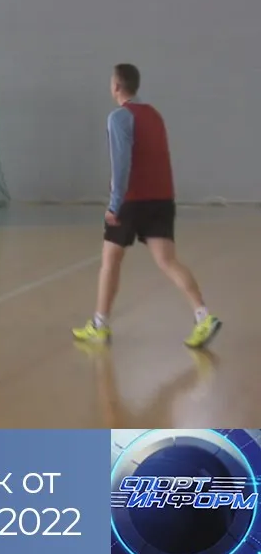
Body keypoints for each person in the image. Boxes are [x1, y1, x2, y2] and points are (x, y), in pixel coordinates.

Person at [72, 64, 221, 348]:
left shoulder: (119, 117)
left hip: (131, 201)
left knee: (110, 260)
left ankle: (100, 325)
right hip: (161, 199)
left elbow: (121, 164)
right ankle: (203, 316)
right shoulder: (154, 115)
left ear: (117, 86)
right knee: (168, 261)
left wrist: (114, 205)